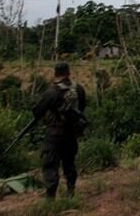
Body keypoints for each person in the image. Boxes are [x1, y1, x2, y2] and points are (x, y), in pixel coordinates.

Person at [32, 62, 87, 199]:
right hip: (71, 133)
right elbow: (82, 107)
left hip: (54, 134)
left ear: (55, 74)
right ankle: (70, 191)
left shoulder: (51, 92)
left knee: (50, 165)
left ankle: (50, 198)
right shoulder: (78, 89)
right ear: (69, 72)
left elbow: (37, 111)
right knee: (69, 162)